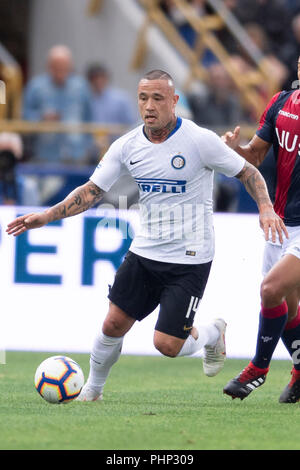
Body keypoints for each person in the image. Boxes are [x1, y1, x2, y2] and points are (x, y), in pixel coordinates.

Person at [7, 70, 285, 403]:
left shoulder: (199, 140)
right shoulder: (127, 146)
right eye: (143, 98)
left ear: (174, 101)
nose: (149, 106)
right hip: (146, 251)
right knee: (112, 324)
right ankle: (92, 392)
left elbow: (248, 171)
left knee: (167, 346)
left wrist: (266, 208)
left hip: (190, 256)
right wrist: (47, 216)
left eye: (157, 98)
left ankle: (213, 332)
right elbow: (92, 190)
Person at [222, 57, 300, 403]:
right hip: (281, 221)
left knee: (270, 290)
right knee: (289, 306)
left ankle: (258, 368)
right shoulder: (282, 103)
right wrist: (234, 150)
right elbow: (254, 154)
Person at [23, 45, 92, 162]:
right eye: (57, 67)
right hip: (45, 155)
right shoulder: (36, 86)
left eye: (64, 67)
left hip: (76, 155)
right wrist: (41, 117)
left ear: (70, 66)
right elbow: (24, 116)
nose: (60, 72)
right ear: (49, 66)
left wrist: (86, 147)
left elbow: (89, 118)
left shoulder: (81, 87)